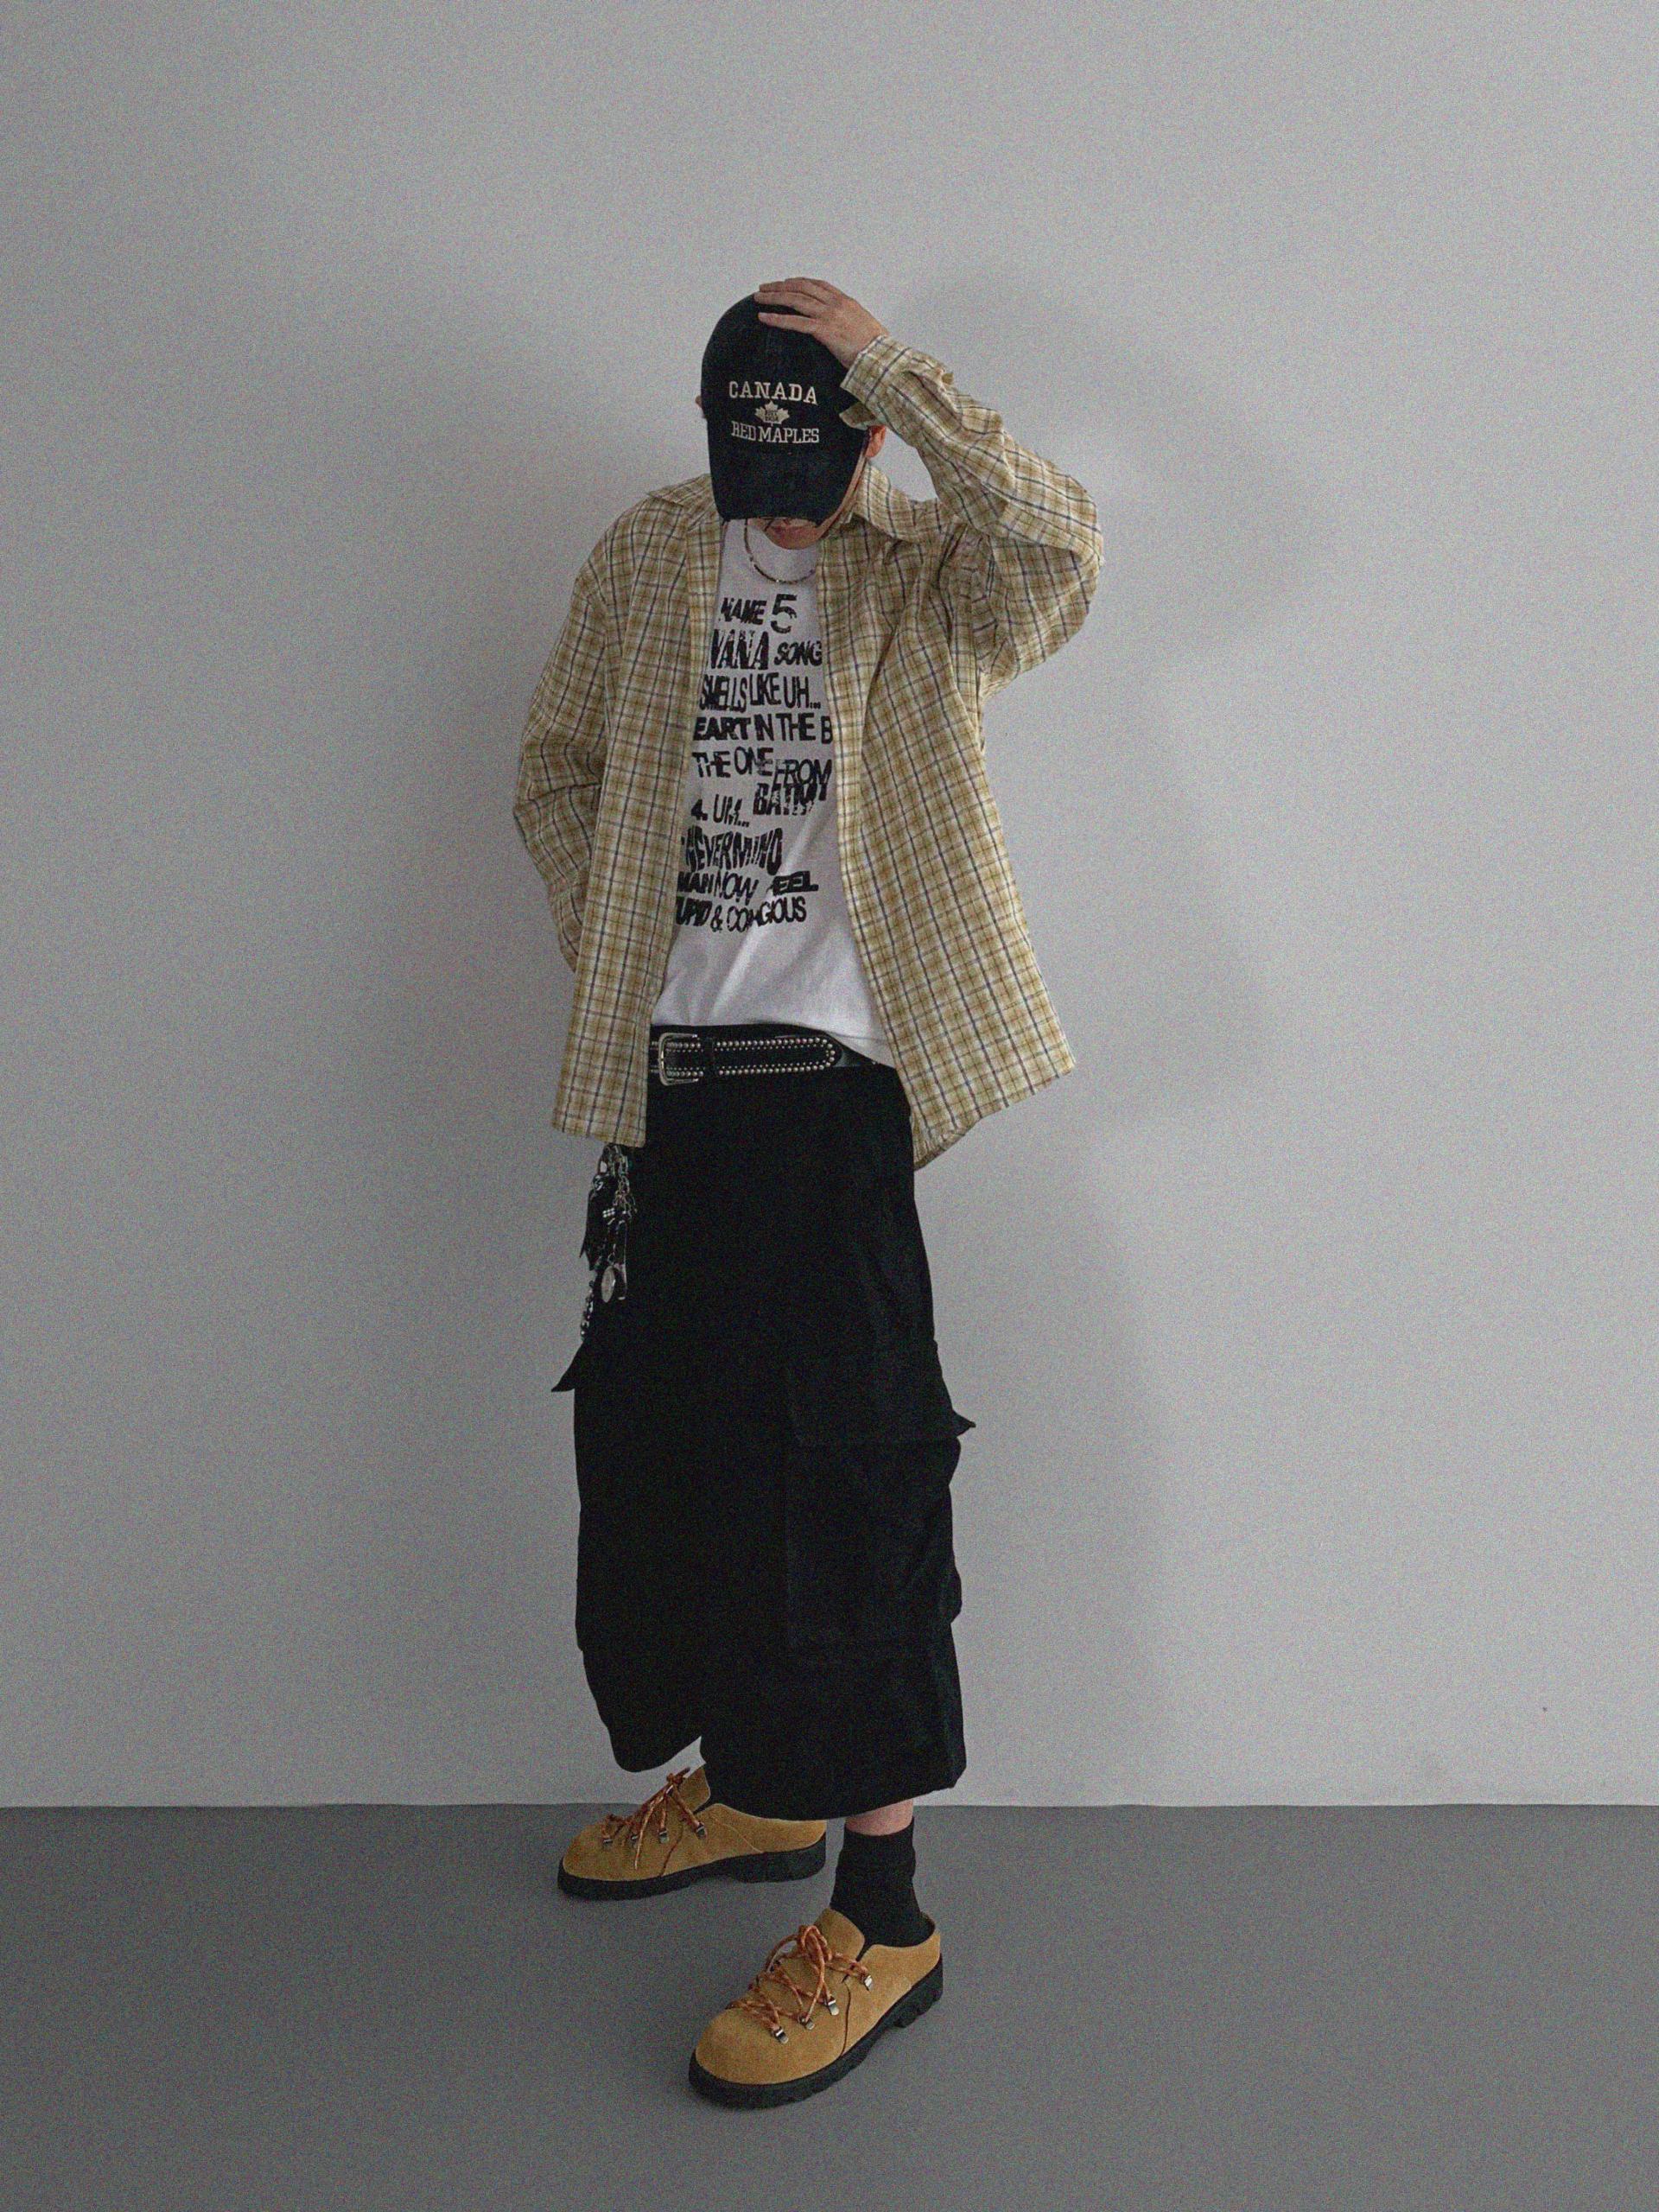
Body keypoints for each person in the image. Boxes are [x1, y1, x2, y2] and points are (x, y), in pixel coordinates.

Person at [513, 276, 1102, 2107]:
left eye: (813, 467)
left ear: (859, 444)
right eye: (750, 469)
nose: (783, 508)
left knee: (848, 1478)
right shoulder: (645, 556)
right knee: (672, 1454)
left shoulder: (930, 568)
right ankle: (757, 1794)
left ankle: (885, 1914)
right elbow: (556, 771)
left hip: (837, 1095)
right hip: (669, 1091)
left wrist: (898, 375)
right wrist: (627, 952)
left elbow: (1062, 547)